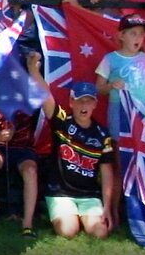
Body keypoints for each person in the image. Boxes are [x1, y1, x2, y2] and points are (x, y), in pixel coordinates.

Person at [29, 54, 117, 239]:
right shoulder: (61, 120)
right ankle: (59, 212)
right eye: (80, 100)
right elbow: (45, 96)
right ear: (71, 102)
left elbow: (107, 172)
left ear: (95, 104)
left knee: (100, 233)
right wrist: (34, 71)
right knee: (68, 231)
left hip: (89, 196)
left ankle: (83, 216)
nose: (84, 105)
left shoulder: (102, 134)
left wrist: (107, 207)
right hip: (60, 193)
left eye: (89, 100)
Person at [0, 87, 41, 236]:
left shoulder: (28, 108)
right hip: (1, 152)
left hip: (24, 151)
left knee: (30, 170)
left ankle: (27, 223)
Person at [96, 14, 145, 130]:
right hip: (119, 109)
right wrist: (111, 86)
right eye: (133, 33)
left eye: (141, 34)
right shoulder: (110, 59)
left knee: (144, 143)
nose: (138, 38)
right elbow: (98, 88)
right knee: (120, 142)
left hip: (144, 108)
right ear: (122, 36)